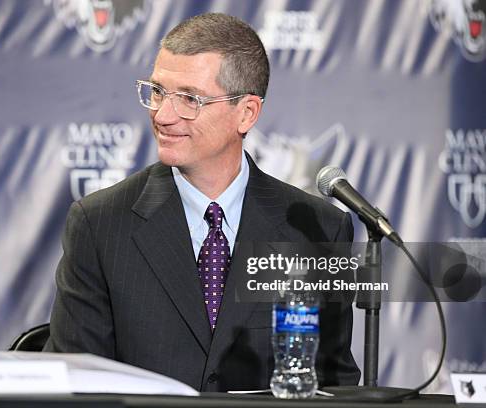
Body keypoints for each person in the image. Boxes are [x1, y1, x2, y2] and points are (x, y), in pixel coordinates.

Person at [45, 13, 360, 391]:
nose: (162, 114)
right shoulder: (99, 224)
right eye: (158, 91)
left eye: (189, 99)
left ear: (246, 113)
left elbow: (334, 383)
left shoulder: (318, 228)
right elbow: (74, 383)